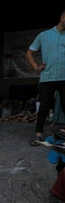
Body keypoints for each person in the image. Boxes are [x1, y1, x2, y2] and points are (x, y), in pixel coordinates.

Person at [27, 9, 65, 146]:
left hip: (64, 78)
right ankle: (38, 135)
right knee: (44, 107)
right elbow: (29, 53)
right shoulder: (44, 35)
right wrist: (36, 67)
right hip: (47, 77)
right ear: (62, 17)